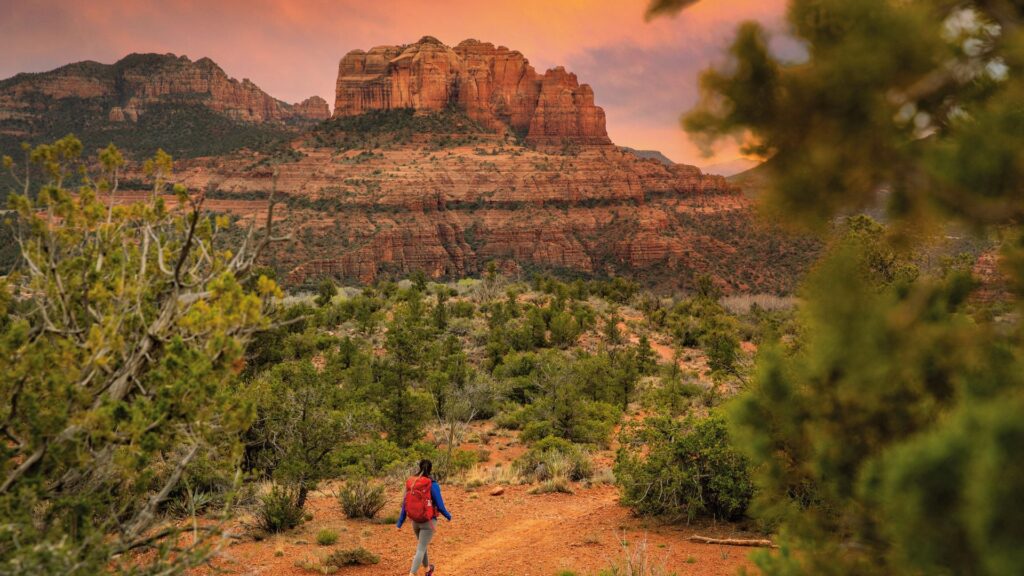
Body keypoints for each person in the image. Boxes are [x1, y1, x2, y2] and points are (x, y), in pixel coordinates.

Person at [397, 459, 451, 576]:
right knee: (421, 548)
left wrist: (400, 522)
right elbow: (440, 506)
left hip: (415, 521)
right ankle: (412, 574)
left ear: (419, 467)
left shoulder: (412, 482)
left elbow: (405, 503)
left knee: (422, 545)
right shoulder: (432, 484)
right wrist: (448, 516)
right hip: (428, 522)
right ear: (431, 469)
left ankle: (427, 570)